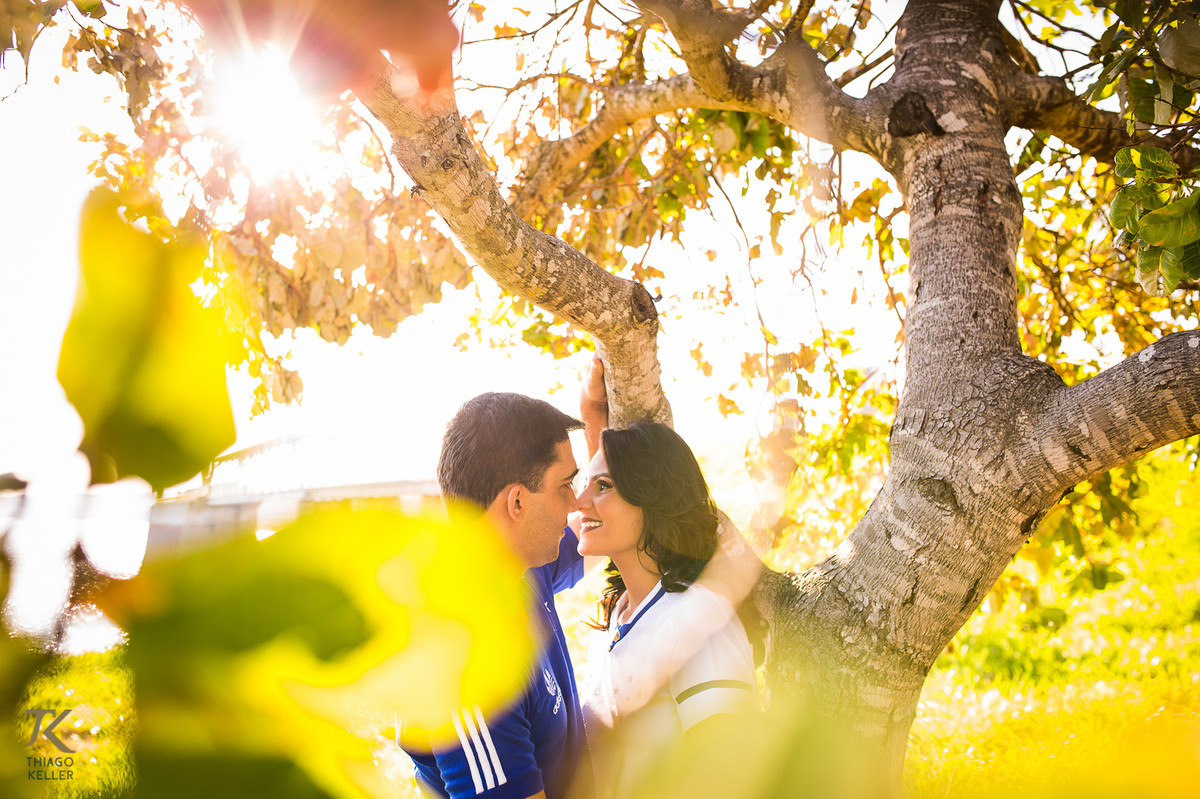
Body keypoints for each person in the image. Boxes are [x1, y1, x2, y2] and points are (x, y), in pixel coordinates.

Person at [574, 362, 759, 798]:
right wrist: (590, 410)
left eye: (602, 485)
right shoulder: (616, 621)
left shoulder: (698, 622)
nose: (580, 500)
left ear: (651, 499)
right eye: (586, 483)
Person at [400, 392, 596, 799]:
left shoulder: (522, 567)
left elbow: (596, 527)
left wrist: (595, 416)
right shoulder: (466, 659)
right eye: (566, 486)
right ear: (518, 502)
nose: (577, 503)